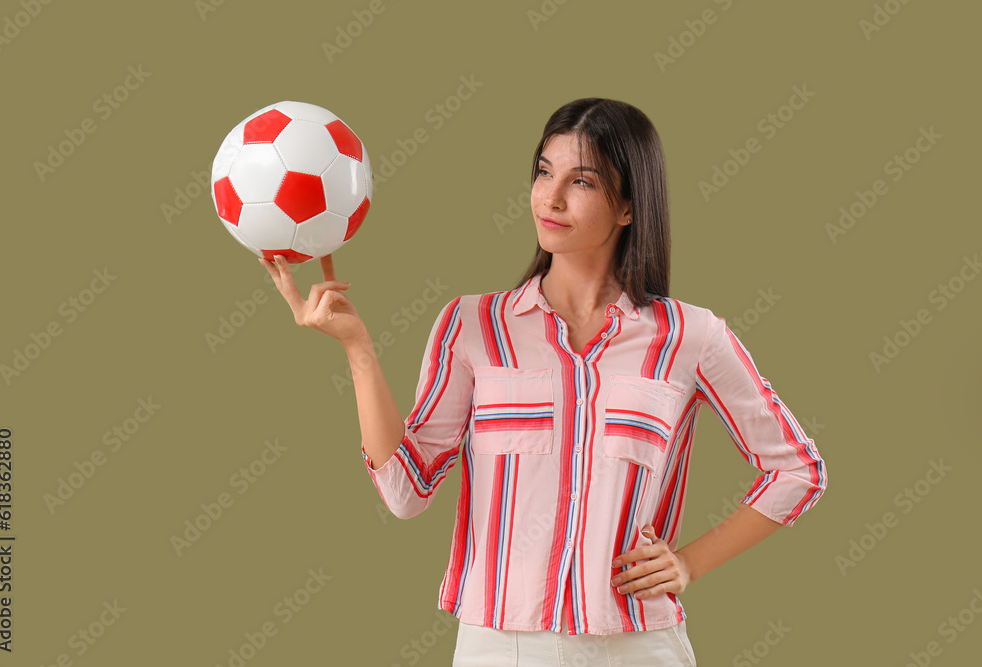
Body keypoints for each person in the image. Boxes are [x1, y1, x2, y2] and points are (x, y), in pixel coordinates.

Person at [260, 97, 828, 666]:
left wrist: (689, 562)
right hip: (500, 647)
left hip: (636, 647)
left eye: (581, 181)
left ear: (629, 206)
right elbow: (406, 492)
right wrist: (358, 350)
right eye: (543, 172)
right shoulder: (472, 325)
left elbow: (798, 469)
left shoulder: (690, 336)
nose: (550, 198)